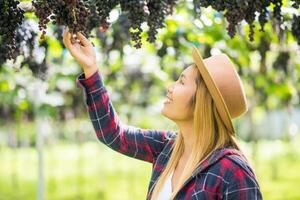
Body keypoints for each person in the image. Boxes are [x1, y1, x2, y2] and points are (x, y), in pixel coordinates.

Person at [63, 27, 263, 200]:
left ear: (202, 102)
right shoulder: (168, 148)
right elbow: (114, 134)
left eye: (182, 82)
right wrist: (90, 67)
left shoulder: (233, 171)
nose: (170, 87)